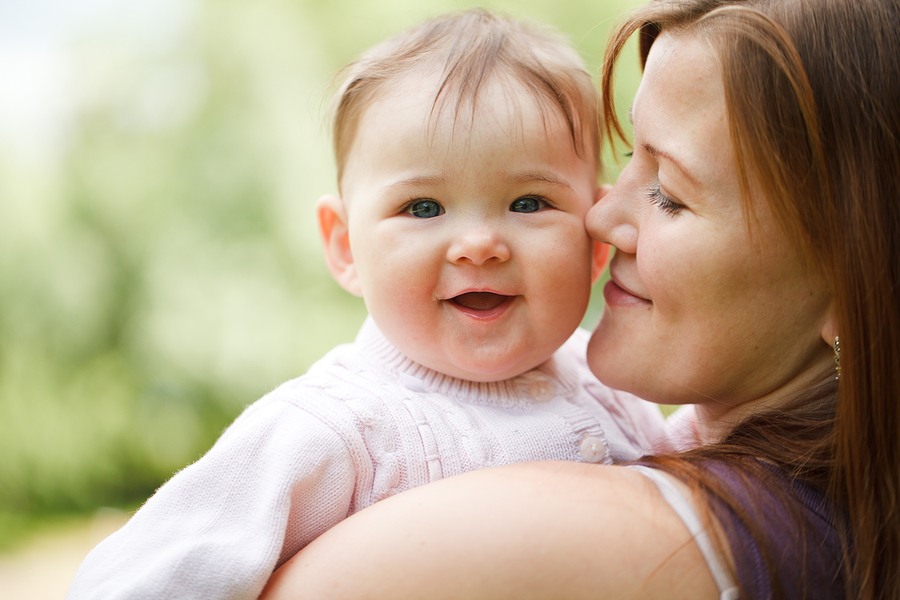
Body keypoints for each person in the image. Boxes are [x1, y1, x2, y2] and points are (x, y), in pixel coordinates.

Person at [259, 0, 900, 599]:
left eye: (670, 193)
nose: (598, 216)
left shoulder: (627, 537)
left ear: (857, 283)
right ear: (343, 241)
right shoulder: (846, 511)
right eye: (628, 162)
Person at [66, 9, 670, 600]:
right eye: (424, 208)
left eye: (529, 203)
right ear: (345, 245)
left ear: (593, 238)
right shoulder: (333, 427)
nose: (480, 245)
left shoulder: (611, 381)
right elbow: (147, 575)